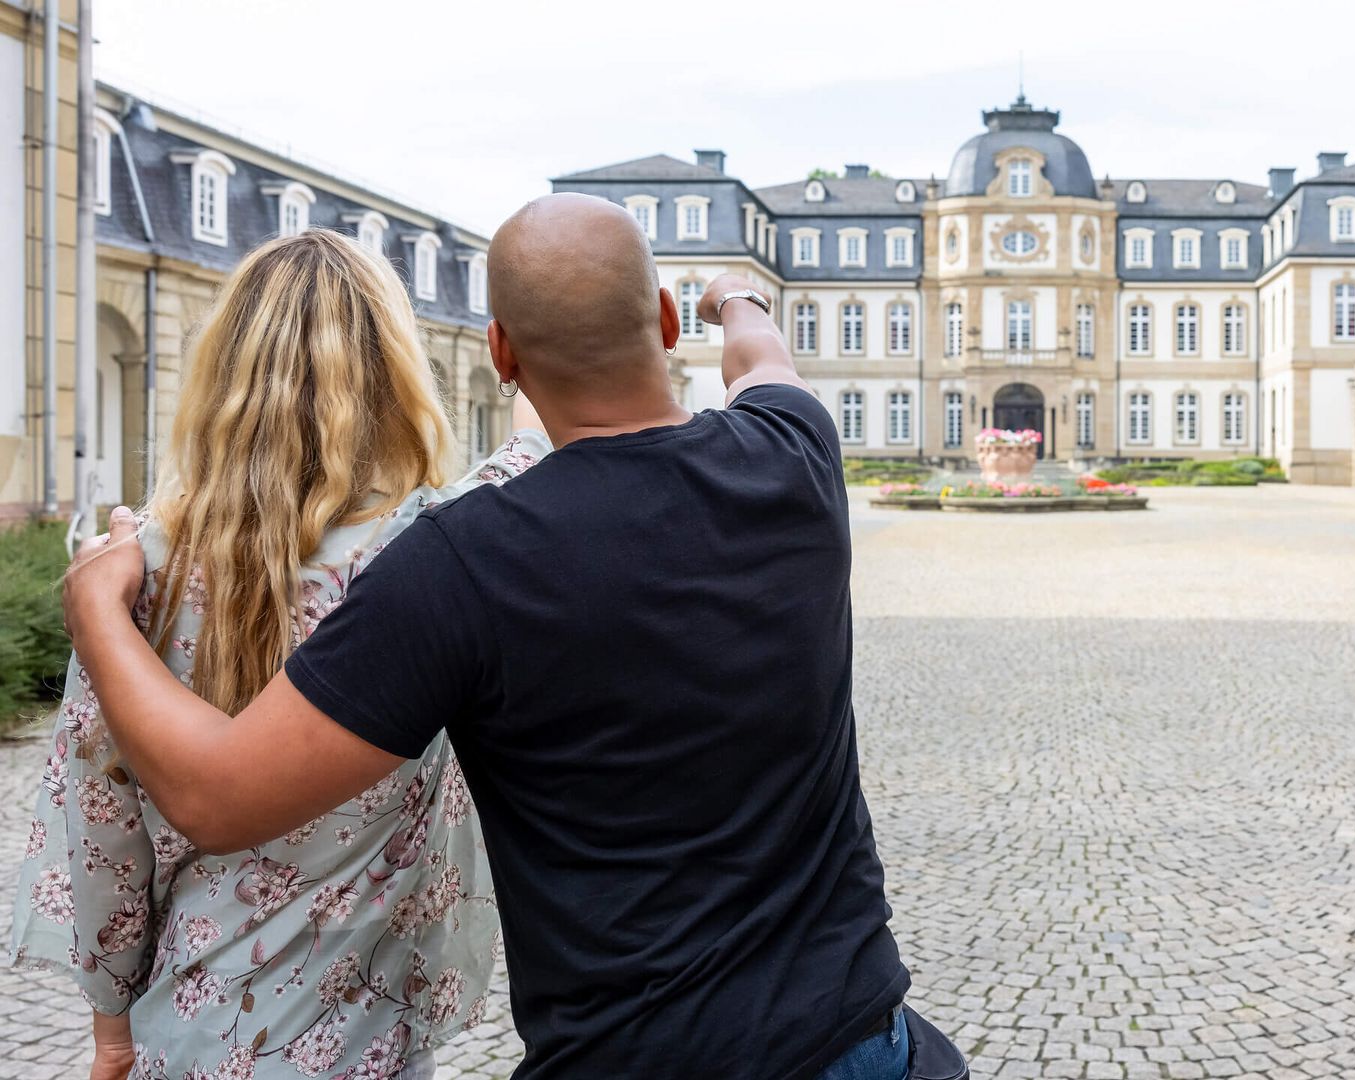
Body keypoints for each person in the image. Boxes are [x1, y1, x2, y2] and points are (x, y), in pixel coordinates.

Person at [60, 193, 918, 1080]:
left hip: (635, 1055)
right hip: (859, 1039)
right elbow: (761, 359)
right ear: (664, 321)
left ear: (501, 354)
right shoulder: (794, 452)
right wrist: (739, 301)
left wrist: (96, 613)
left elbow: (216, 798)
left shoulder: (459, 565)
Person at [12, 228, 550, 1079]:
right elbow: (535, 443)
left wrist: (111, 1036)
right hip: (367, 1036)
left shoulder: (129, 580)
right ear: (395, 377)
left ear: (221, 374)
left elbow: (100, 831)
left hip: (190, 1024)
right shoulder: (435, 551)